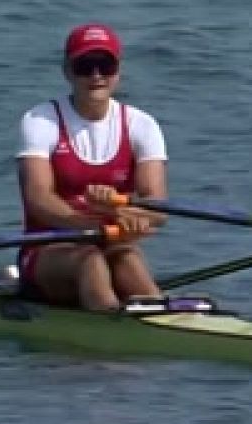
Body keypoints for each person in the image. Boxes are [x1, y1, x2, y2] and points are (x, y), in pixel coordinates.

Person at [15, 23, 168, 310]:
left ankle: (161, 325)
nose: (96, 76)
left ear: (118, 70)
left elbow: (157, 207)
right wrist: (95, 223)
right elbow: (38, 199)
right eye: (85, 66)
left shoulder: (143, 125)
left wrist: (122, 212)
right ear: (67, 71)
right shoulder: (41, 120)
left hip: (113, 244)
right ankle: (110, 339)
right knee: (91, 262)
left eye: (104, 65)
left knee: (130, 264)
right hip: (47, 251)